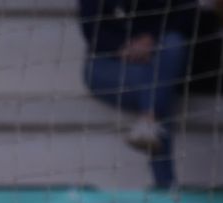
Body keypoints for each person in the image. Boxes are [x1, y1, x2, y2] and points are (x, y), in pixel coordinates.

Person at [78, 0, 195, 188]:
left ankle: (149, 120)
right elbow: (92, 29)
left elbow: (186, 15)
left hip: (158, 56)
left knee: (172, 48)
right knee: (158, 84)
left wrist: (150, 39)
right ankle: (166, 184)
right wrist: (123, 48)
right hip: (110, 63)